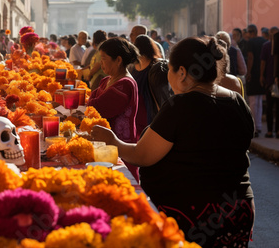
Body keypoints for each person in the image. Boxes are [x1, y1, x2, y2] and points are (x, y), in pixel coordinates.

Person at [91, 36, 254, 247]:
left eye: (170, 69)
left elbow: (142, 155)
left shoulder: (181, 105)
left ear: (183, 73)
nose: (168, 77)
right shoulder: (237, 100)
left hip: (195, 215)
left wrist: (113, 141)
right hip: (238, 211)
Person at [87, 37, 140, 181]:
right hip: (105, 146)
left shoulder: (124, 84)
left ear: (118, 60)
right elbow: (92, 101)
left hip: (120, 147)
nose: (101, 63)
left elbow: (96, 107)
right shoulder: (106, 80)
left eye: (103, 59)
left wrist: (91, 102)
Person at [129, 35, 172, 138]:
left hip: (137, 110)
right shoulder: (157, 65)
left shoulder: (132, 67)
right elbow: (164, 93)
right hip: (151, 111)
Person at [245, 24, 267, 136]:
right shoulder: (264, 41)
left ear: (250, 32)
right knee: (259, 101)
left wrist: (248, 72)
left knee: (253, 102)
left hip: (254, 74)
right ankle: (258, 125)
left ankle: (254, 127)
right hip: (263, 74)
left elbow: (250, 57)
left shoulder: (250, 42)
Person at [260, 26, 279, 138]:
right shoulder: (266, 46)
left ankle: (275, 130)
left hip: (274, 79)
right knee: (270, 107)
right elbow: (263, 62)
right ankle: (270, 130)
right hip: (270, 80)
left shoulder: (267, 46)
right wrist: (262, 75)